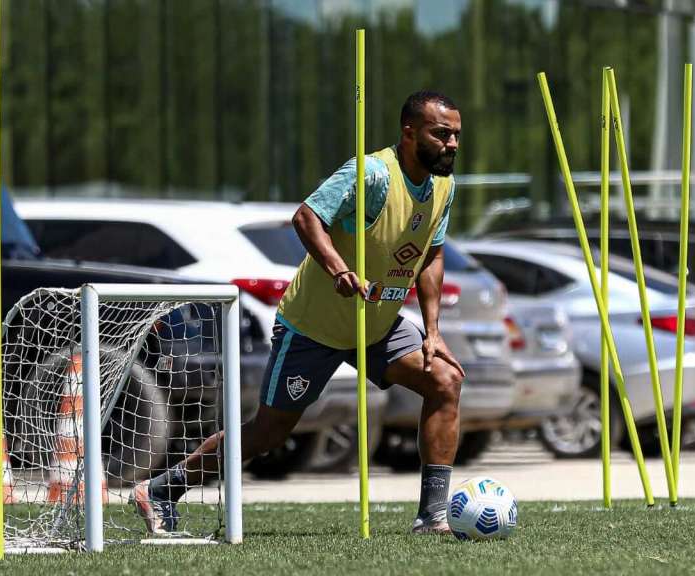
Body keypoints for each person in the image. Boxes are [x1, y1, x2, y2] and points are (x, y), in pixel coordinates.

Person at [131, 90, 466, 535]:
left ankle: (433, 516)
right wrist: (340, 270)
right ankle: (161, 489)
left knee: (445, 380)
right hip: (314, 327)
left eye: (456, 135)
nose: (452, 144)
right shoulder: (371, 174)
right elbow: (307, 217)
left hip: (376, 325)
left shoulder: (443, 186)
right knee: (269, 433)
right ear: (409, 132)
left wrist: (433, 330)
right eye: (441, 134)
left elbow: (432, 256)